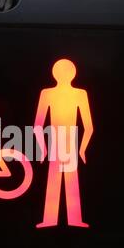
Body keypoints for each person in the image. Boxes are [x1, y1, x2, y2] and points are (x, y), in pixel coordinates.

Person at [34, 59, 93, 228]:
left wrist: (42, 148)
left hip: (57, 137)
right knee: (67, 179)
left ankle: (52, 219)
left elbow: (38, 125)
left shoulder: (48, 93)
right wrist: (82, 148)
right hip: (67, 138)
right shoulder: (79, 94)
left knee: (56, 180)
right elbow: (89, 127)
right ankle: (71, 219)